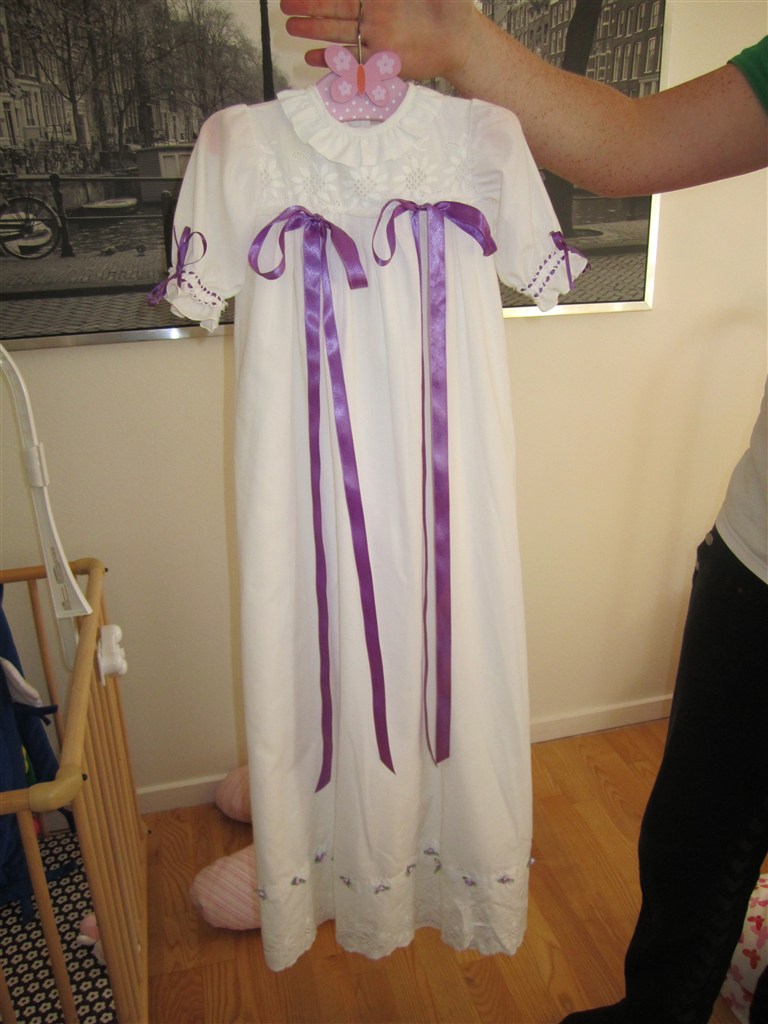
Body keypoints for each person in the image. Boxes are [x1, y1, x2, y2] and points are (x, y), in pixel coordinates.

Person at [282, 3, 768, 1023]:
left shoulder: (480, 148)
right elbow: (633, 143)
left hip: (458, 477)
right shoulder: (245, 147)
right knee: (694, 832)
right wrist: (459, 37)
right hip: (758, 543)